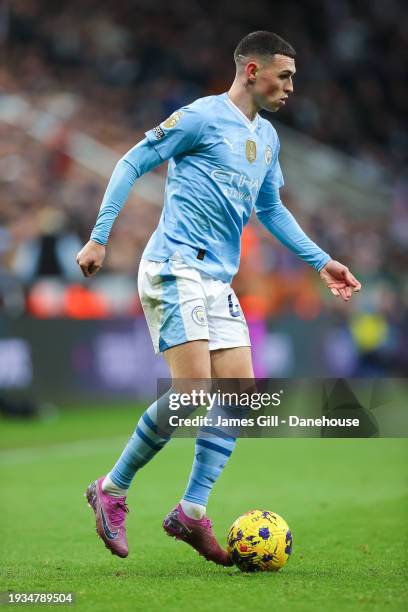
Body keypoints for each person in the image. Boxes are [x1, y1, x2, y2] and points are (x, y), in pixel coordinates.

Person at [77, 31, 361, 566]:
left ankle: (190, 511)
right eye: (285, 76)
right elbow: (131, 163)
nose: (291, 87)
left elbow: (271, 210)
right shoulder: (201, 117)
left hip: (217, 280)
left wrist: (323, 260)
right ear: (252, 72)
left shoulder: (269, 139)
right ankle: (111, 489)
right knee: (191, 395)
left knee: (239, 394)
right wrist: (100, 234)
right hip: (174, 266)